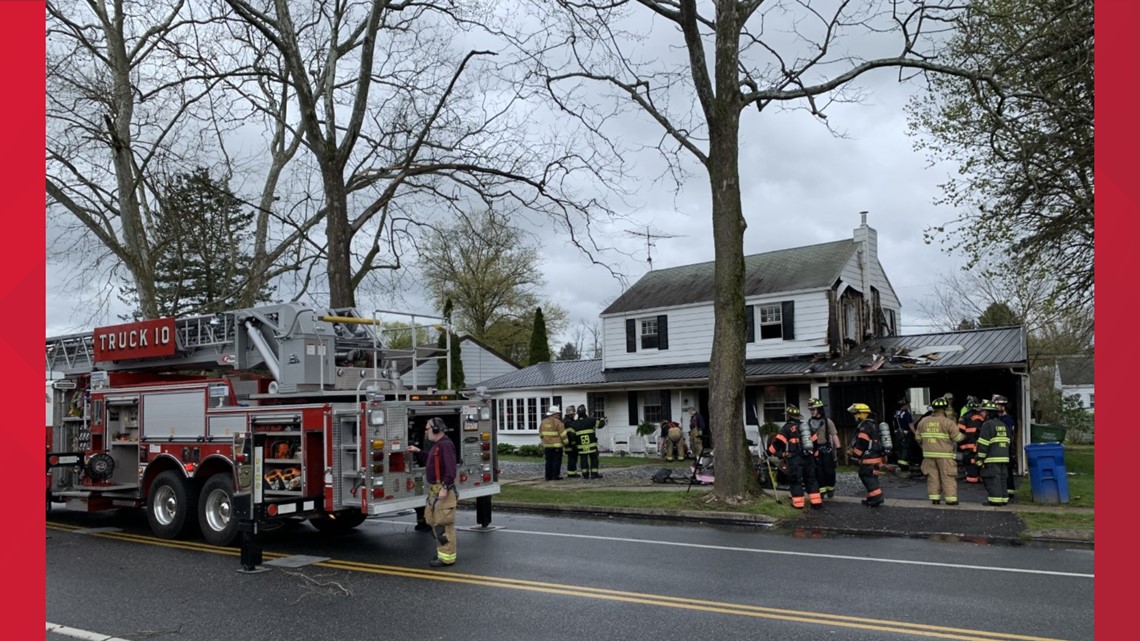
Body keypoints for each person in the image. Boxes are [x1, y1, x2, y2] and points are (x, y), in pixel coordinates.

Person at [407, 417, 458, 567]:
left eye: (428, 429)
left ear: (436, 429)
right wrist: (418, 451)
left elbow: (451, 470)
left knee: (443, 525)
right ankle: (443, 551)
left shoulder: (445, 445)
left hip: (442, 491)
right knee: (432, 521)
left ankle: (446, 558)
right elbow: (431, 459)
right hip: (434, 492)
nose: (426, 432)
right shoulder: (438, 446)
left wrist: (444, 488)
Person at [768, 405, 822, 509]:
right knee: (811, 480)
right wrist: (815, 455)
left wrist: (769, 452)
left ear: (788, 416)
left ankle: (798, 504)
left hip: (795, 459)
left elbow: (778, 443)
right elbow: (815, 442)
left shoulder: (786, 428)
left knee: (795, 480)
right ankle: (817, 503)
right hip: (808, 458)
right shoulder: (806, 426)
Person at [916, 397, 964, 505]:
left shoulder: (923, 421)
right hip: (945, 455)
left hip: (928, 455)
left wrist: (926, 446)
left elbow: (918, 438)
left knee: (933, 477)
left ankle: (935, 498)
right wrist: (966, 436)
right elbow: (957, 438)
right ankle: (951, 499)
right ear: (945, 408)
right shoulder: (948, 422)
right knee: (947, 476)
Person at [847, 402, 885, 507]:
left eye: (856, 414)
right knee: (869, 476)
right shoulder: (871, 424)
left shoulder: (865, 427)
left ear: (861, 414)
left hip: (870, 459)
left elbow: (862, 443)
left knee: (867, 476)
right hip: (874, 457)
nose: (854, 416)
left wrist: (855, 455)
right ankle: (872, 498)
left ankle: (877, 498)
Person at [976, 399, 1012, 506]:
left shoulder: (987, 425)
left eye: (982, 411)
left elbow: (983, 443)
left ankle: (995, 500)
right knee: (1002, 479)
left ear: (988, 413)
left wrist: (980, 458)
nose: (981, 413)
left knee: (993, 479)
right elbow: (1010, 441)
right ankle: (1004, 499)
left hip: (992, 458)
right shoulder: (1002, 424)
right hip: (1004, 458)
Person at [807, 398, 839, 498]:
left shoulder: (827, 421)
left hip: (826, 450)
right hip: (814, 451)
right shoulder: (808, 423)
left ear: (820, 409)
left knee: (829, 471)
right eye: (811, 409)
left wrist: (839, 448)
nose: (811, 411)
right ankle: (821, 491)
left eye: (814, 409)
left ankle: (830, 490)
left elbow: (834, 435)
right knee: (818, 472)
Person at [993, 394, 1018, 502]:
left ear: (1003, 406)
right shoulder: (1003, 418)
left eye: (997, 405)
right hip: (1005, 448)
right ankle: (1008, 491)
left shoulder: (1006, 420)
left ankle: (1008, 491)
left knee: (1005, 471)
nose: (996, 408)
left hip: (1005, 448)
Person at [957, 398, 985, 484]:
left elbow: (960, 431)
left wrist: (959, 444)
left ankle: (972, 478)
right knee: (979, 459)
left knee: (969, 460)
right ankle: (980, 476)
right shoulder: (982, 417)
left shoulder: (964, 417)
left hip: (968, 444)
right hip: (980, 444)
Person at [575, 405, 604, 479]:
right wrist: (602, 419)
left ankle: (585, 475)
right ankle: (594, 474)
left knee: (583, 460)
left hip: (581, 447)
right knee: (594, 459)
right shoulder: (591, 420)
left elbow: (572, 434)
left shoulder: (575, 423)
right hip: (592, 446)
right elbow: (600, 425)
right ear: (585, 412)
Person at [539, 406, 566, 481]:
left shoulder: (543, 422)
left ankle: (548, 476)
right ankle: (555, 476)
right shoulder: (558, 422)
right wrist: (566, 443)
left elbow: (540, 433)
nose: (559, 415)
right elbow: (563, 434)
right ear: (554, 414)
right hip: (557, 446)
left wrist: (544, 440)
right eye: (558, 413)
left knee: (548, 461)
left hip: (547, 445)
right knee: (556, 461)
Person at [892, 398, 914, 474]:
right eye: (907, 404)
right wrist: (915, 432)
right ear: (905, 405)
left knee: (899, 448)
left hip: (897, 433)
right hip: (905, 433)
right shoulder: (907, 414)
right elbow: (910, 424)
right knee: (905, 448)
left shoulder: (896, 413)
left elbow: (893, 424)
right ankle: (904, 467)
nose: (908, 406)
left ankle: (899, 465)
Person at [563, 406, 580, 478]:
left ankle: (572, 472)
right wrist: (573, 442)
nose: (574, 415)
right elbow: (570, 433)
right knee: (572, 458)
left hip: (567, 443)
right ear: (570, 414)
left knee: (571, 458)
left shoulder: (566, 420)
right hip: (570, 443)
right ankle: (572, 473)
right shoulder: (568, 422)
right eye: (573, 414)